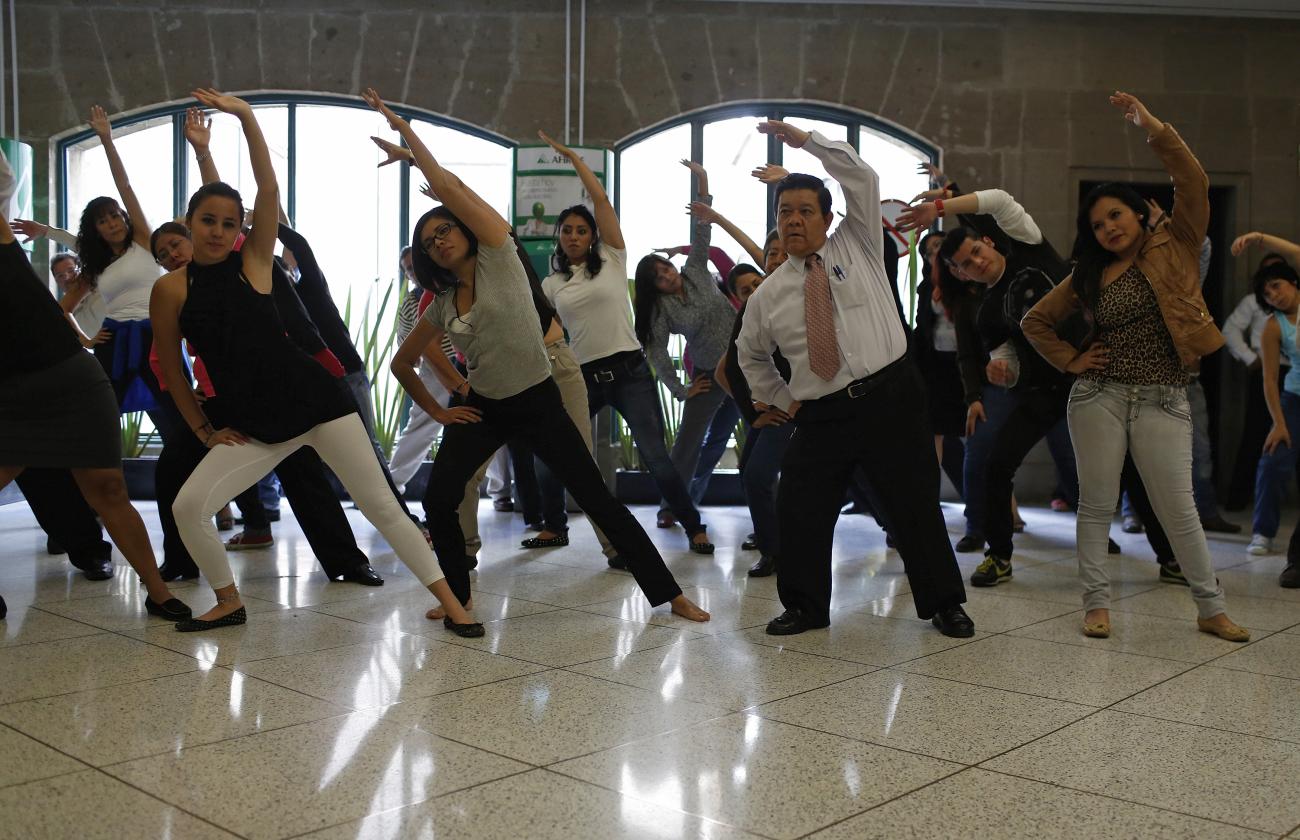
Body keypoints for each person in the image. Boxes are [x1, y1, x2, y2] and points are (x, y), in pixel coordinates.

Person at [364, 87, 709, 623]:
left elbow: (455, 193)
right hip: (484, 404)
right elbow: (401, 363)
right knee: (441, 496)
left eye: (445, 230)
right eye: (429, 242)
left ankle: (671, 594)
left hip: (539, 397)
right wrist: (440, 410)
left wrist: (408, 134)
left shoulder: (500, 256)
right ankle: (458, 593)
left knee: (596, 496)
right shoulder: (442, 304)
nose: (439, 240)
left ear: (465, 230)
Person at [150, 89, 478, 634]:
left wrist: (248, 118)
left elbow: (267, 187)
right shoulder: (171, 290)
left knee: (383, 508)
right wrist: (203, 429)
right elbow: (171, 367)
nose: (217, 231)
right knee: (188, 508)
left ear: (240, 231)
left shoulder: (253, 262)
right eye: (207, 220)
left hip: (318, 401)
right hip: (254, 425)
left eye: (228, 223)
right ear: (189, 222)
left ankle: (454, 604)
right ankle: (228, 599)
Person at [1022, 91, 1247, 641]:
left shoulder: (1180, 244)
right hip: (1099, 395)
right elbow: (1035, 322)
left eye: (1116, 215)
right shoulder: (1090, 274)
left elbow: (1191, 180)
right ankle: (1096, 605)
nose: (1108, 229)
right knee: (1096, 504)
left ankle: (1211, 608)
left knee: (1180, 509)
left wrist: (1152, 126)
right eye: (1098, 225)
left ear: (1140, 213)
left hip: (1165, 397)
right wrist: (1073, 360)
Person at [736, 119, 972, 638]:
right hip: (821, 413)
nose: (793, 221)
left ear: (826, 217)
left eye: (803, 211)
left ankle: (944, 603)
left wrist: (806, 143)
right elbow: (748, 357)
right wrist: (785, 400)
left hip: (891, 396)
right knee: (800, 506)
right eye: (784, 212)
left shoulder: (858, 242)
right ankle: (804, 606)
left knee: (913, 505)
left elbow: (860, 176)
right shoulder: (768, 295)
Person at [0, 147, 190, 623]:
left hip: (72, 379)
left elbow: (2, 181)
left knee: (107, 487)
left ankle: (158, 589)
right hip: (10, 391)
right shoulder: (95, 267)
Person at [539, 144, 713, 554]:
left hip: (630, 373)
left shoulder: (612, 256)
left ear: (593, 236)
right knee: (551, 452)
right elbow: (546, 335)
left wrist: (574, 158)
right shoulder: (551, 285)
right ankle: (553, 525)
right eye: (568, 231)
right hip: (583, 378)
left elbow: (600, 200)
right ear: (559, 237)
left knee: (656, 458)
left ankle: (693, 526)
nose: (575, 237)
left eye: (582, 230)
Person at [633, 161, 742, 533]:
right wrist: (681, 390)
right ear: (654, 287)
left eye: (664, 267)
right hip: (711, 375)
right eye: (657, 277)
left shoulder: (696, 269)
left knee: (737, 438)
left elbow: (702, 231)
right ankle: (673, 505)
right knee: (689, 444)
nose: (665, 274)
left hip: (748, 365)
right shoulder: (661, 310)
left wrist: (703, 182)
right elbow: (658, 353)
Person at [1243, 259, 1300, 588]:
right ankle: (1263, 531)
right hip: (1294, 399)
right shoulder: (1274, 326)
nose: (1273, 295)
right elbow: (1268, 380)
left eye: (1277, 285)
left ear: (1292, 281)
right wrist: (1279, 423)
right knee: (1274, 459)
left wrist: (1261, 236)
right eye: (1267, 292)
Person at [1223, 252, 1293, 514]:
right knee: (1255, 436)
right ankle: (1237, 499)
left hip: (1293, 371)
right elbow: (1229, 329)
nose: (1273, 288)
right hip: (1265, 371)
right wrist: (1250, 358)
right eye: (1266, 278)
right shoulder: (1254, 302)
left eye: (1278, 277)